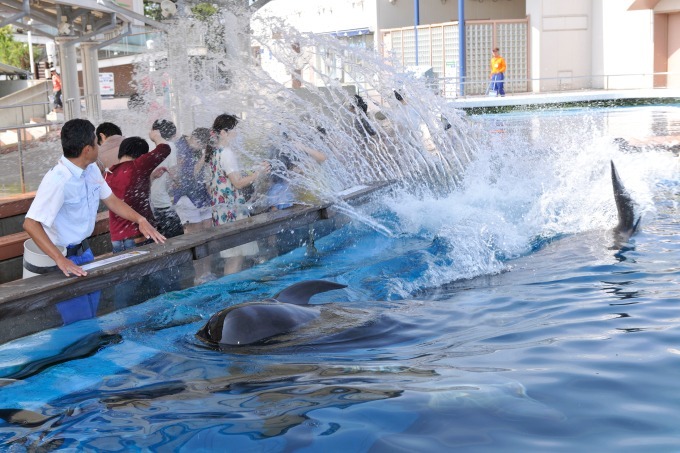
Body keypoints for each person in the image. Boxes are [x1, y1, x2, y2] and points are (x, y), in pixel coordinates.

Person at [23, 119, 165, 324]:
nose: (100, 146)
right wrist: (60, 260)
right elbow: (30, 223)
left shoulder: (90, 170)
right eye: (96, 143)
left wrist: (140, 219)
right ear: (87, 149)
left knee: (90, 317)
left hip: (85, 254)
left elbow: (112, 201)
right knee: (77, 323)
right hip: (65, 259)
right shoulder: (58, 180)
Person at [206, 113, 270, 275]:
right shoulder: (226, 153)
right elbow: (238, 183)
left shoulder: (214, 152)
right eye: (235, 130)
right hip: (232, 211)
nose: (238, 133)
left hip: (222, 209)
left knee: (234, 256)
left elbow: (213, 184)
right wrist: (259, 173)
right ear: (224, 133)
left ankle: (230, 290)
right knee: (236, 256)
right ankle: (231, 294)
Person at [105, 131, 171, 253]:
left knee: (128, 272)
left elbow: (126, 193)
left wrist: (150, 178)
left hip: (118, 239)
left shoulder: (109, 173)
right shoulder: (138, 165)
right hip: (138, 236)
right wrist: (156, 136)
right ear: (142, 155)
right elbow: (165, 148)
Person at [149, 119, 184, 239]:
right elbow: (175, 175)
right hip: (162, 203)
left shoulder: (157, 149)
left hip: (154, 203)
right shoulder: (170, 146)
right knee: (175, 239)